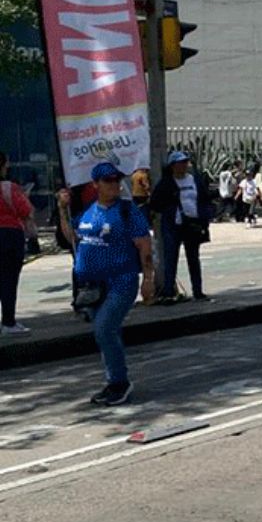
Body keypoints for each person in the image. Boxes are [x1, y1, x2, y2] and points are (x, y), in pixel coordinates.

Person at [57, 162, 155, 405]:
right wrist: (62, 209)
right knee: (108, 333)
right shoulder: (88, 212)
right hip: (94, 287)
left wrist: (148, 280)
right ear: (95, 184)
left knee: (104, 329)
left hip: (121, 281)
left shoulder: (128, 211)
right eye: (107, 180)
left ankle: (119, 382)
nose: (114, 184)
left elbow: (144, 246)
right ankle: (113, 380)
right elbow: (72, 237)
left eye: (116, 180)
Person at [149, 151, 214, 303]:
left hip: (192, 225)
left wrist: (205, 218)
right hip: (173, 226)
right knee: (171, 258)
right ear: (172, 166)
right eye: (180, 163)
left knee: (194, 258)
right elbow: (155, 203)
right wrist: (170, 208)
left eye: (185, 162)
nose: (184, 166)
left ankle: (198, 291)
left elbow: (204, 199)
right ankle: (168, 292)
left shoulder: (194, 180)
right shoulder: (166, 183)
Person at [0, 151, 39, 335]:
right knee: (9, 279)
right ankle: (8, 322)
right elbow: (25, 210)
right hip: (10, 234)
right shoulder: (10, 188)